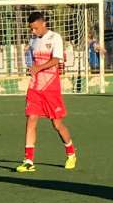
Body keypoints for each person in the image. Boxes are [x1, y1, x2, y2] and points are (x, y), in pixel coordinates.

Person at [15, 12, 77, 172]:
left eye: (35, 28)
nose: (33, 32)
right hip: (35, 87)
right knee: (31, 120)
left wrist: (38, 68)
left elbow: (56, 60)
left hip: (51, 87)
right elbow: (31, 60)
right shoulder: (33, 41)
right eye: (31, 29)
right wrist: (31, 67)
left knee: (57, 124)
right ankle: (28, 160)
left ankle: (71, 152)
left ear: (44, 24)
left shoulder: (55, 38)